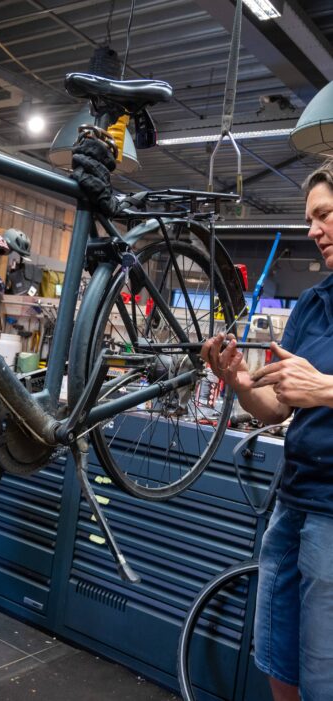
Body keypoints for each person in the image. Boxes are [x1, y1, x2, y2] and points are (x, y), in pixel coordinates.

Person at [201, 160, 333, 701]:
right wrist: (234, 379)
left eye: (324, 215)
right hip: (292, 503)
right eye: (310, 218)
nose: (313, 230)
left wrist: (326, 388)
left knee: (324, 676)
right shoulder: (314, 304)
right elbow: (275, 409)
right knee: (279, 658)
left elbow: (314, 390)